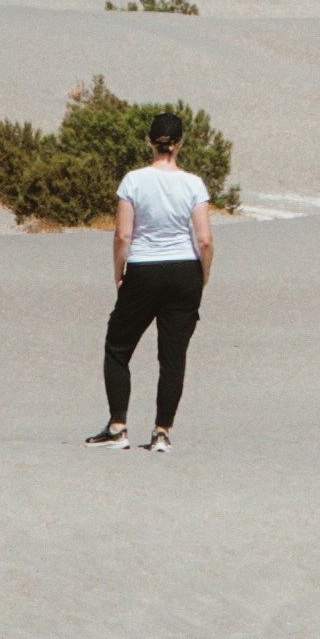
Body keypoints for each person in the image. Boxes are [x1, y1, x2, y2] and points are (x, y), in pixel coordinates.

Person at [91, 110, 214, 450]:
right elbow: (204, 239)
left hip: (144, 270)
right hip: (184, 271)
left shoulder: (133, 180)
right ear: (180, 144)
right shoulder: (193, 184)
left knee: (118, 347)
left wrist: (119, 271)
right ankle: (162, 432)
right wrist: (203, 273)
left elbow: (121, 235)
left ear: (149, 141)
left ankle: (118, 426)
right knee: (173, 357)